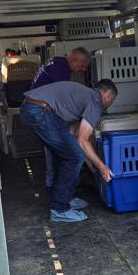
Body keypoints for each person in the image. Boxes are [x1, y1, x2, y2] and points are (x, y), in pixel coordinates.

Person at [20, 80, 118, 223]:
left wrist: (91, 164)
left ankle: (64, 198)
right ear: (108, 96)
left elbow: (73, 139)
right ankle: (59, 209)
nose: (109, 104)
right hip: (40, 111)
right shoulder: (95, 101)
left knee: (65, 154)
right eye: (112, 101)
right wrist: (102, 167)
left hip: (34, 108)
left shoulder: (82, 97)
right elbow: (82, 141)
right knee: (74, 157)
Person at [32, 48, 94, 190]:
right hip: (42, 111)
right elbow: (61, 99)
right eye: (82, 66)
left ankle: (51, 184)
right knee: (62, 151)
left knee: (52, 150)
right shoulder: (61, 70)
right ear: (73, 60)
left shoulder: (55, 62)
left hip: (38, 110)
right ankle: (60, 192)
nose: (83, 70)